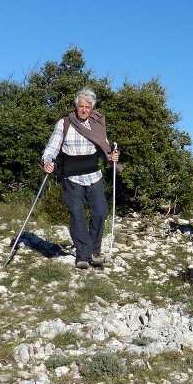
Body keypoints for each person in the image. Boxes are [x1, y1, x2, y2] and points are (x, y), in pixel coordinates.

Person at [42, 88, 121, 269]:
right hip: (71, 177)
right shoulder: (64, 124)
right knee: (77, 215)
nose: (84, 110)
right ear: (76, 106)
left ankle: (94, 250)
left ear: (92, 108)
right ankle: (83, 255)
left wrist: (112, 156)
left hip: (94, 175)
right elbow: (52, 146)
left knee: (100, 212)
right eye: (81, 106)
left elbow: (105, 147)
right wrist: (48, 160)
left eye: (88, 106)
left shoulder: (97, 124)